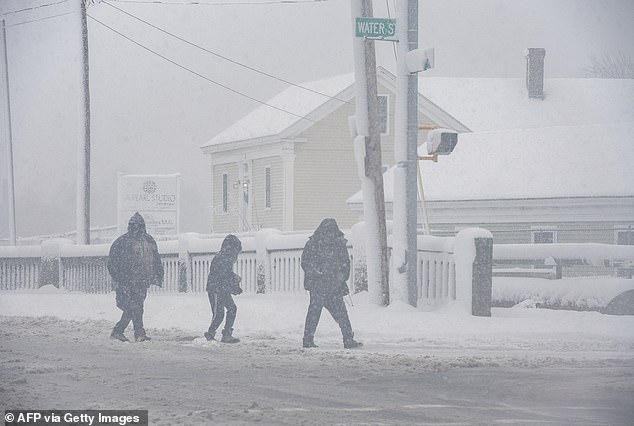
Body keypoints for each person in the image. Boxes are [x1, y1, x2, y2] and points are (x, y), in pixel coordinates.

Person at [301, 218, 362, 349]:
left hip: (326, 286)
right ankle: (347, 339)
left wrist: (337, 276)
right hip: (326, 285)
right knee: (339, 313)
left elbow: (306, 262)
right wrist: (338, 277)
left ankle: (308, 339)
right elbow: (345, 263)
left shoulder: (314, 244)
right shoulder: (335, 244)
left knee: (316, 313)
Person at [107, 212, 164, 342]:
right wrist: (120, 278)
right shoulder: (122, 242)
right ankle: (125, 331)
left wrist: (157, 273)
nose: (136, 229)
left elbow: (156, 258)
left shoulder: (148, 240)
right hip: (127, 281)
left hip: (142, 281)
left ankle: (136, 332)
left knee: (138, 306)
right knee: (131, 307)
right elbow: (112, 263)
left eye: (138, 226)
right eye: (134, 226)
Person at [205, 234, 243, 343]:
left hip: (223, 289)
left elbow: (228, 275)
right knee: (219, 313)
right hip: (216, 290)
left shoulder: (226, 259)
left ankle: (227, 334)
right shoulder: (220, 258)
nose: (236, 255)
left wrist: (234, 283)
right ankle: (210, 333)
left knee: (232, 308)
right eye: (235, 251)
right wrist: (234, 285)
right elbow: (223, 276)